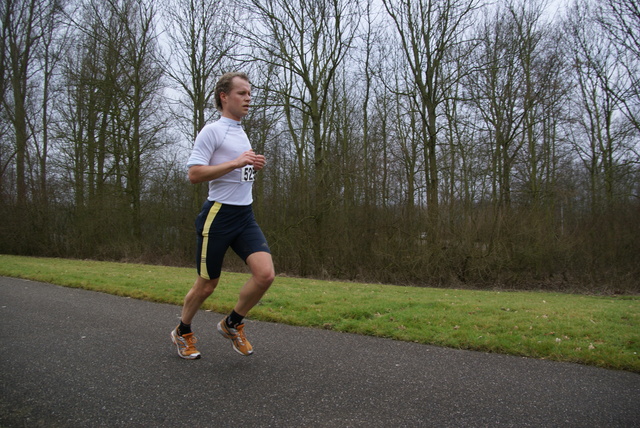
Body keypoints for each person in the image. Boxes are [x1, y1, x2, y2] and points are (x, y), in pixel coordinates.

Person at [171, 72, 275, 359]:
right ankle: (183, 331)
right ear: (224, 96)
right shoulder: (212, 131)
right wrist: (236, 162)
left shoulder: (241, 131)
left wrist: (252, 165)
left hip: (245, 216)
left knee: (265, 275)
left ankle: (232, 323)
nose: (248, 98)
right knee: (207, 285)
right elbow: (194, 174)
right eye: (242, 93)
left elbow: (237, 170)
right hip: (218, 215)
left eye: (250, 93)